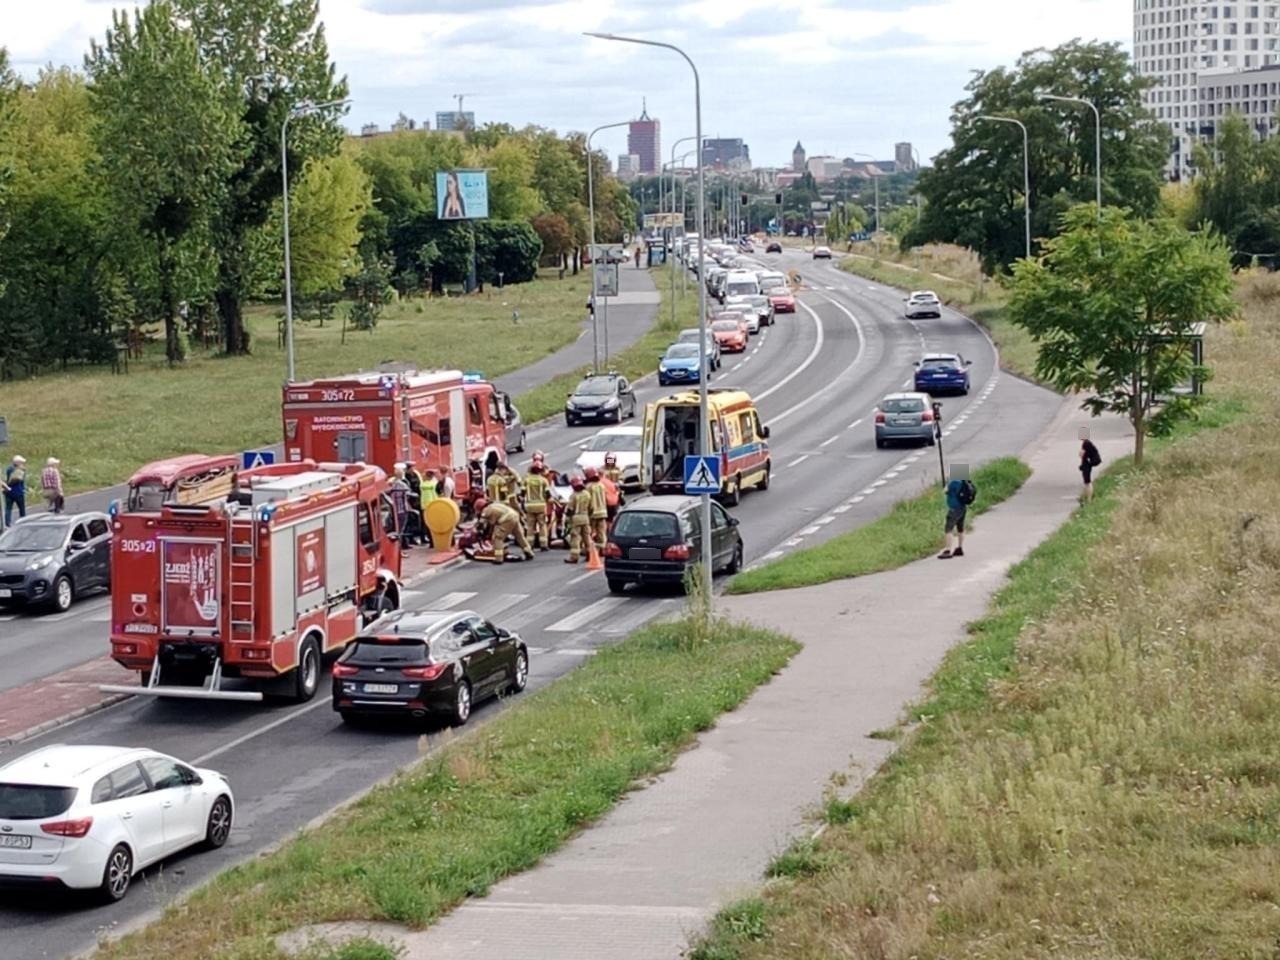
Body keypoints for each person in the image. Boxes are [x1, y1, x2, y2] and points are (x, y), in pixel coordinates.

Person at [475, 498, 534, 563]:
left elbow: (481, 523)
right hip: (514, 515)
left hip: (506, 519)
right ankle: (529, 552)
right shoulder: (494, 505)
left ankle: (499, 558)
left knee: (498, 538)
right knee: (519, 536)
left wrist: (478, 530)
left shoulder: (486, 510)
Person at [938, 463, 974, 559]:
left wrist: (946, 485)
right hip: (962, 508)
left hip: (954, 509)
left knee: (948, 529)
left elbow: (945, 491)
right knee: (960, 528)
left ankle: (947, 550)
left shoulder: (953, 483)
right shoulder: (965, 482)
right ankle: (959, 548)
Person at [564, 476, 593, 564]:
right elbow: (591, 507)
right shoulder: (587, 494)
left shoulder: (573, 496)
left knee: (575, 538)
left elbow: (570, 509)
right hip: (585, 517)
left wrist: (568, 517)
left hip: (576, 518)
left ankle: (574, 557)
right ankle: (590, 554)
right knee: (587, 537)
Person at [523, 463, 551, 551]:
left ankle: (530, 545)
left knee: (530, 526)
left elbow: (522, 492)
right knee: (542, 525)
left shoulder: (526, 480)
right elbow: (548, 494)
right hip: (541, 506)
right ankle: (544, 545)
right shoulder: (543, 480)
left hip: (529, 506)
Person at [389, 464, 415, 551]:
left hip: (393, 511)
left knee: (395, 531)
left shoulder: (390, 484)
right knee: (400, 531)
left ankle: (397, 549)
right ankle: (398, 549)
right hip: (402, 510)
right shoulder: (403, 485)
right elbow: (409, 495)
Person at [584, 467, 608, 549]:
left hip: (593, 513)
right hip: (603, 512)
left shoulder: (588, 487)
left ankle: (590, 549)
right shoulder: (601, 485)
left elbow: (586, 500)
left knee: (589, 532)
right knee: (601, 532)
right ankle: (602, 549)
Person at [3, 455, 27, 525]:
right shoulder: (20, 470)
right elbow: (21, 481)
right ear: (18, 462)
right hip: (18, 492)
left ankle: (7, 522)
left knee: (8, 508)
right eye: (21, 462)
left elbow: (7, 479)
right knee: (21, 508)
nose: (22, 464)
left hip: (8, 491)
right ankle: (23, 521)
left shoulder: (9, 469)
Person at [1079, 430, 1101, 502]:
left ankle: (1089, 498)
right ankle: (1087, 497)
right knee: (1087, 482)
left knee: (1087, 482)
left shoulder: (1086, 444)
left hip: (1087, 465)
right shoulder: (1088, 443)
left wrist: (1081, 454)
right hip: (1088, 464)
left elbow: (1081, 454)